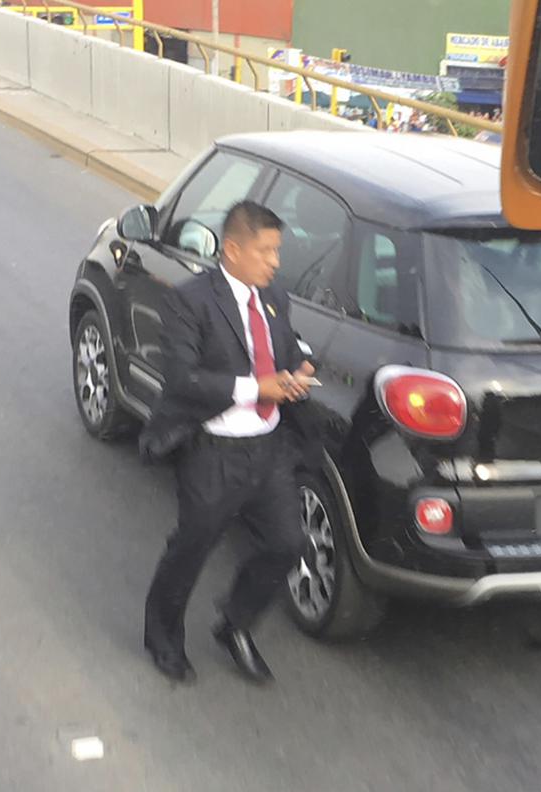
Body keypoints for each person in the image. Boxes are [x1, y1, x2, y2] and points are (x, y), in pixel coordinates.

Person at [140, 201, 316, 686]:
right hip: (213, 451)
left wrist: (301, 367)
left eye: (277, 251)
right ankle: (163, 639)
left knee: (286, 543)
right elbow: (181, 378)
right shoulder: (190, 301)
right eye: (266, 251)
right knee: (192, 549)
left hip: (268, 448)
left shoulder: (273, 295)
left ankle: (234, 624)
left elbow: (290, 344)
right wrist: (257, 388)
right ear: (233, 249)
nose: (275, 262)